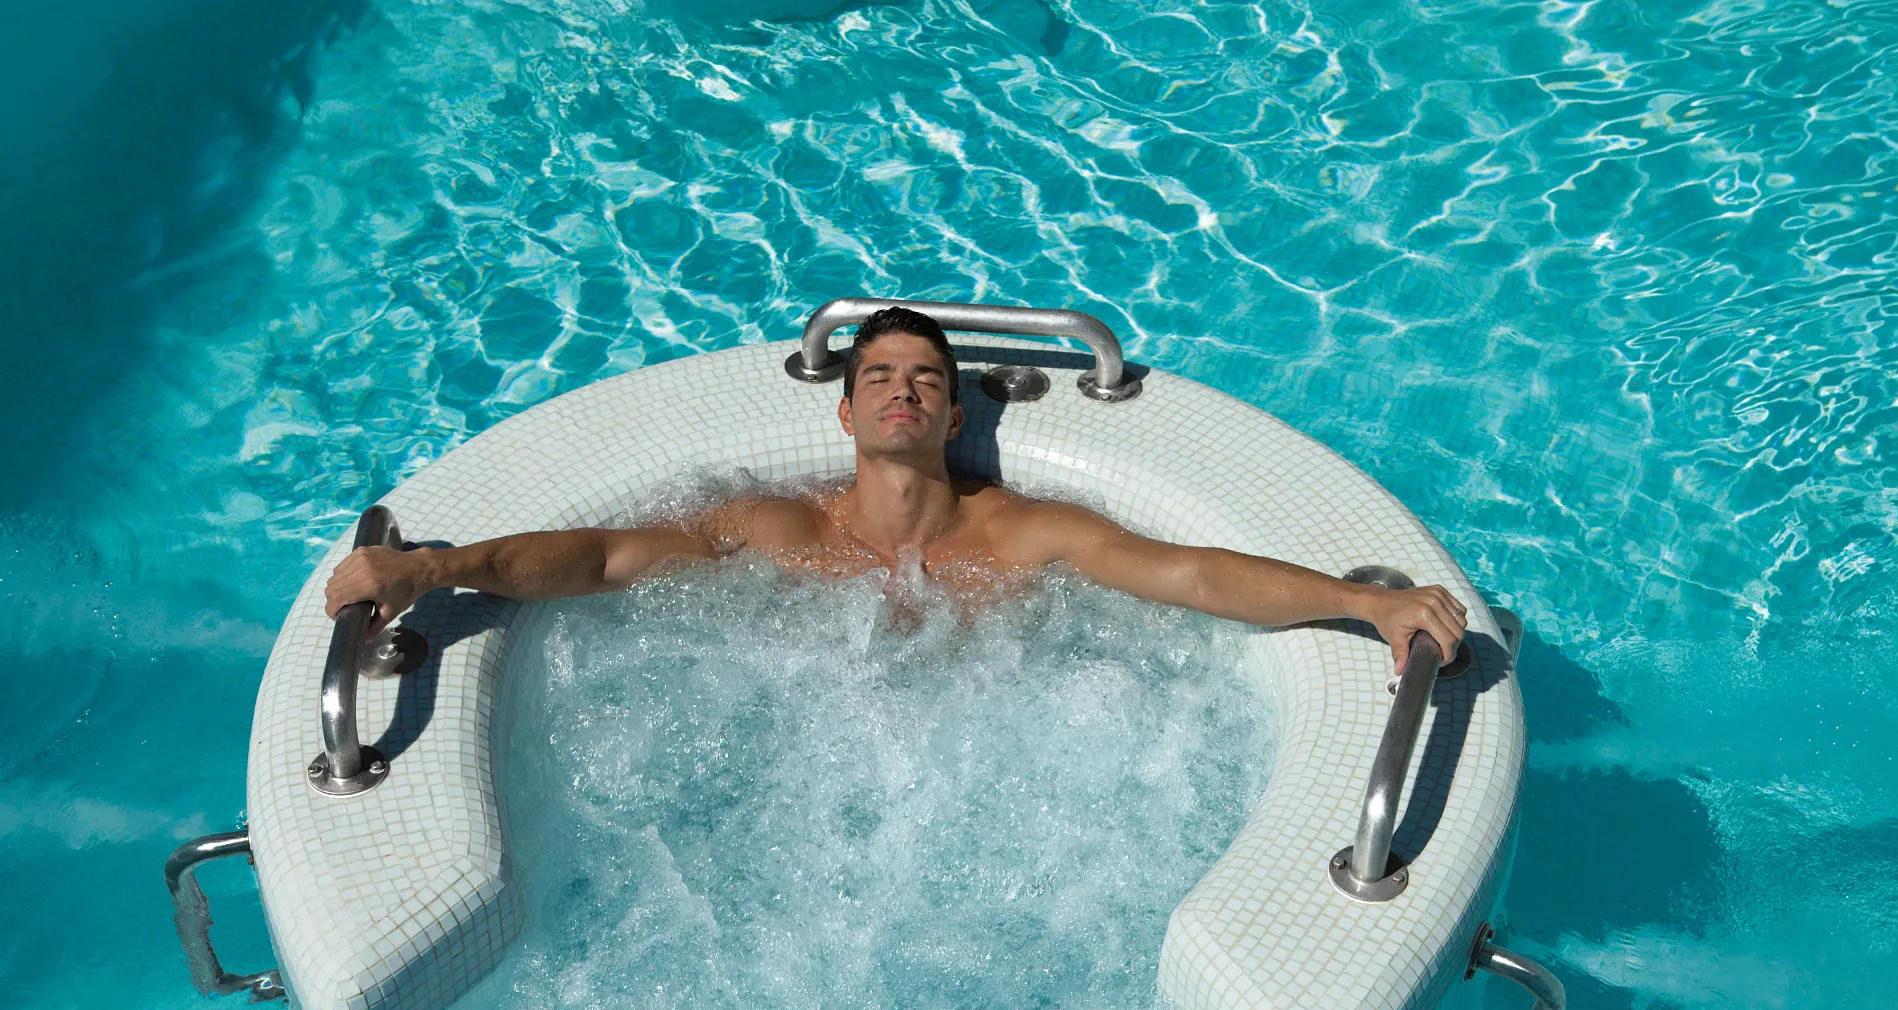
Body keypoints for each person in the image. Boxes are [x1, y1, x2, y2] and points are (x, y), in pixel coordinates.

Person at [325, 307, 1467, 669]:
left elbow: (1190, 572)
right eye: (879, 376)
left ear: (955, 414)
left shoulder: (1023, 533)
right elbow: (605, 557)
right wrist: (441, 566)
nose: (903, 392)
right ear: (845, 409)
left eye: (927, 378)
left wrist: (1365, 604)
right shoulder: (774, 524)